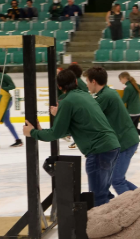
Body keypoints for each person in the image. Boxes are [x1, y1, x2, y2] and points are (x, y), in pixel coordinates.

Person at [25, 69, 119, 206]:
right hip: (112, 147)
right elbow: (67, 129)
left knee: (98, 197)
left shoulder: (67, 101)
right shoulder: (85, 95)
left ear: (59, 87)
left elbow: (56, 133)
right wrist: (40, 130)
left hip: (99, 150)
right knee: (103, 193)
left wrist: (32, 133)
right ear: (76, 81)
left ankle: (105, 226)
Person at [85, 67, 140, 197]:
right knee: (119, 179)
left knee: (117, 180)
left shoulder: (105, 96)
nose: (86, 84)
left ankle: (136, 207)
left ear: (93, 81)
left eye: (87, 81)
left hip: (125, 143)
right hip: (125, 141)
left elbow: (88, 116)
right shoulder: (108, 92)